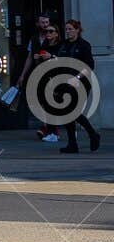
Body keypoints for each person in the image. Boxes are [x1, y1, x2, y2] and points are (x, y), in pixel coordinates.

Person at [55, 20, 101, 153]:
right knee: (67, 112)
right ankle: (72, 143)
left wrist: (77, 78)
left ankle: (93, 134)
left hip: (80, 82)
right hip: (65, 82)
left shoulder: (84, 45)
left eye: (70, 29)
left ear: (77, 30)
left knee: (72, 112)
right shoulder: (64, 45)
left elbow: (89, 66)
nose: (68, 31)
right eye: (66, 29)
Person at [16, 14, 61, 143]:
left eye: (47, 22)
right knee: (41, 101)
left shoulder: (55, 39)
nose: (45, 25)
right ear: (38, 24)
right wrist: (23, 75)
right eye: (43, 23)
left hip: (52, 74)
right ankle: (47, 127)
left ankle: (52, 129)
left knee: (50, 101)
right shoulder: (34, 39)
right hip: (38, 74)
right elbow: (29, 57)